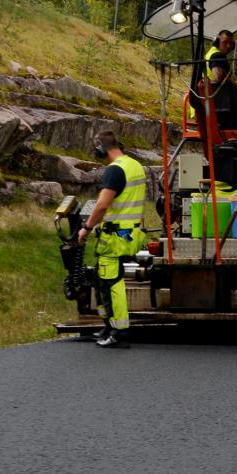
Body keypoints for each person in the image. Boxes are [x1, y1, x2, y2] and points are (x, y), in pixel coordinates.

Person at [78, 131, 146, 348]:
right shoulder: (135, 165)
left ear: (101, 148)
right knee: (102, 280)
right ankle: (108, 325)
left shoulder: (115, 170)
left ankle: (118, 330)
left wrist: (86, 228)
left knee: (110, 283)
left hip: (114, 237)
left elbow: (103, 204)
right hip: (130, 233)